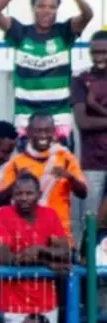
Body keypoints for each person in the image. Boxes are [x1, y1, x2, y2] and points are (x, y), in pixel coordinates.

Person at [0, 0, 93, 140]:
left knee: (60, 159)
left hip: (59, 123)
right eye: (41, 6)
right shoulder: (20, 33)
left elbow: (87, 15)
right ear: (33, 8)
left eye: (52, 7)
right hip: (26, 123)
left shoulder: (64, 33)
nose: (46, 11)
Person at [0, 174, 70, 323]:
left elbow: (65, 253)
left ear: (39, 195)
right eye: (19, 193)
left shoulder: (50, 214)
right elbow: (6, 258)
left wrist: (38, 250)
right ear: (13, 195)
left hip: (46, 302)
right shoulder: (3, 215)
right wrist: (47, 261)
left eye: (29, 193)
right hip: (13, 303)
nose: (24, 198)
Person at [0, 112, 86, 239]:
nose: (43, 135)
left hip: (59, 234)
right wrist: (16, 182)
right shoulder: (16, 162)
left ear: (54, 131)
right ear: (28, 132)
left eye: (47, 130)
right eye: (38, 131)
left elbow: (83, 193)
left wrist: (69, 177)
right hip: (25, 236)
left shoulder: (66, 158)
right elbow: (0, 201)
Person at [72, 31, 107, 243]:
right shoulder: (81, 80)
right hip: (93, 163)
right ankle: (89, 262)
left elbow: (89, 120)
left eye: (104, 52)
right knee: (91, 222)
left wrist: (94, 106)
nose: (99, 57)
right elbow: (83, 122)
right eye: (95, 52)